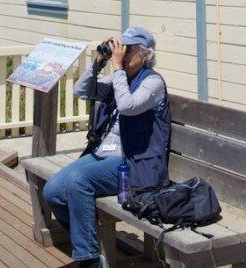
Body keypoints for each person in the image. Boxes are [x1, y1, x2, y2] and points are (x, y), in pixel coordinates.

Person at [42, 27, 170, 268]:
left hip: (135, 165)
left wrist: (118, 69)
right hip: (102, 154)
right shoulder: (120, 77)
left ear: (145, 55)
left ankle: (89, 259)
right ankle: (89, 246)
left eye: (128, 49)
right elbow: (81, 90)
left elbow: (127, 106)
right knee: (53, 192)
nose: (121, 53)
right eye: (121, 48)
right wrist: (99, 62)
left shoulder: (153, 83)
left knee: (79, 180)